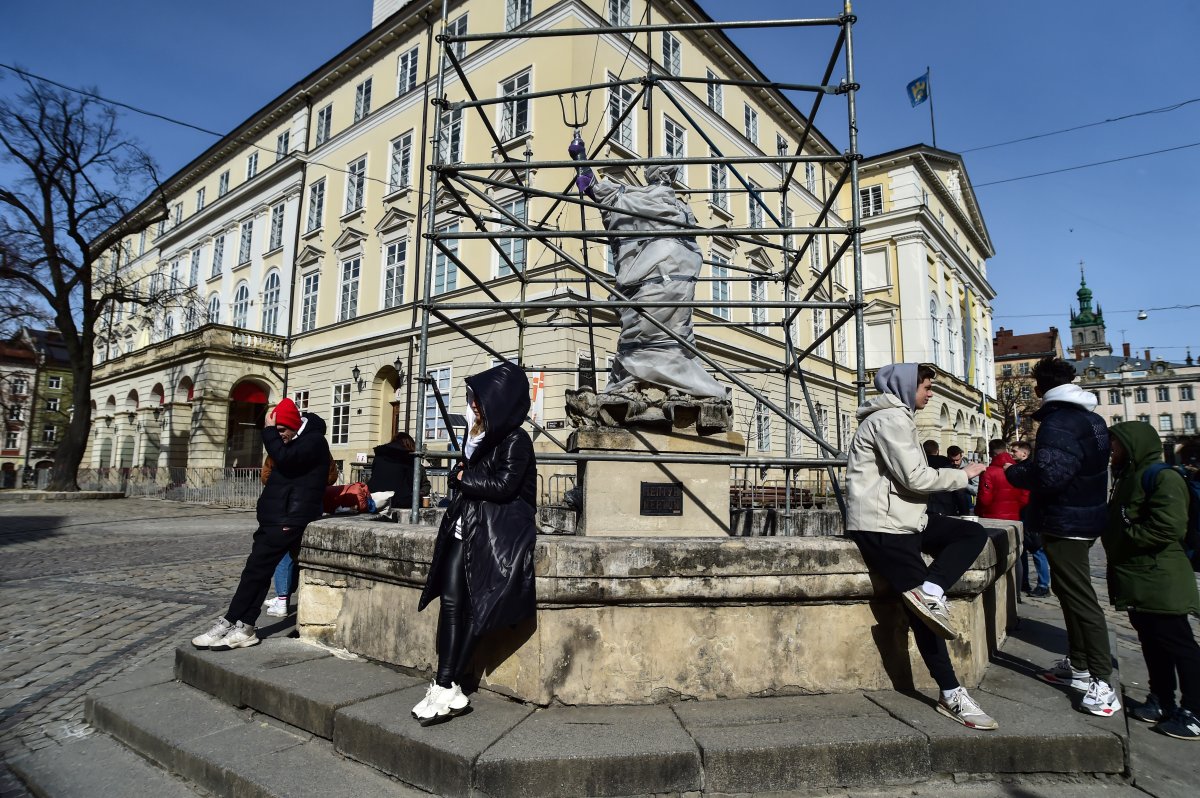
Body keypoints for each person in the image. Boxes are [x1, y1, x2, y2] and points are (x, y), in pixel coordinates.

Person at [846, 363, 996, 730]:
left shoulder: (897, 418)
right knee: (925, 619)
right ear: (906, 386)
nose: (930, 394)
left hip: (904, 519)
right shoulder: (890, 421)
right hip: (883, 526)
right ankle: (950, 693)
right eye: (926, 386)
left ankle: (930, 589)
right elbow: (914, 477)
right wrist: (964, 475)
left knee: (971, 533)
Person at [411, 361, 537, 726]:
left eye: (479, 401)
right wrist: (463, 472)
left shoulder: (515, 440)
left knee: (470, 609)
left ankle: (448, 683)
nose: (474, 407)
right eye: (472, 401)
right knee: (452, 603)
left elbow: (504, 487)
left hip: (492, 536)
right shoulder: (482, 438)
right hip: (463, 529)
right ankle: (446, 684)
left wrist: (464, 478)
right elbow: (462, 475)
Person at [1005, 356, 1119, 717]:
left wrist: (1017, 472)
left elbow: (1051, 475)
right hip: (1084, 517)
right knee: (1071, 595)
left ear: (1040, 388)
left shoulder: (1059, 422)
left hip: (1065, 521)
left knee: (1081, 599)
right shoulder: (1092, 419)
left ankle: (1101, 682)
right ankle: (1082, 668)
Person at [191, 398, 331, 650]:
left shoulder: (314, 441)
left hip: (289, 519)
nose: (279, 437)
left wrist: (268, 431)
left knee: (256, 571)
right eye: (276, 431)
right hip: (277, 517)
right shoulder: (300, 441)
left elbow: (285, 460)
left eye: (281, 431)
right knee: (256, 572)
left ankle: (231, 621)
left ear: (293, 426)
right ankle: (243, 626)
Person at [1104, 422, 1200, 739]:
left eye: (1116, 445)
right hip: (1137, 577)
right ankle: (1161, 699)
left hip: (1161, 576)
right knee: (1152, 643)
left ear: (1133, 446)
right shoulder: (1127, 478)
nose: (1112, 451)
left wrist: (1127, 533)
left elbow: (1169, 527)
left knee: (1179, 644)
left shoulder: (1162, 476)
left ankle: (1194, 711)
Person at [1010, 441, 1050, 597]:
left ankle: (1043, 585)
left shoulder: (1028, 470)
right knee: (1023, 550)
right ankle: (1024, 582)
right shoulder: (1017, 469)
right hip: (1021, 514)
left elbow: (1027, 495)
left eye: (1014, 451)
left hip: (1030, 514)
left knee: (1037, 550)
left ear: (1024, 454)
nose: (1012, 453)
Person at [368, 431, 429, 510]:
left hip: (374, 500)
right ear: (410, 445)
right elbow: (415, 483)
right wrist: (420, 493)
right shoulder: (409, 459)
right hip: (400, 501)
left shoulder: (379, 455)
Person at [976, 439, 1028, 524]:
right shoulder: (1019, 469)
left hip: (992, 517)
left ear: (990, 453)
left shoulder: (988, 472)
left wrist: (979, 512)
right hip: (1015, 517)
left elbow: (984, 499)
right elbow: (1025, 496)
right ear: (1006, 450)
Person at [924, 440, 972, 516]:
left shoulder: (920, 466)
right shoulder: (948, 465)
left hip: (924, 510)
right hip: (947, 509)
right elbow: (959, 492)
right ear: (937, 451)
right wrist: (964, 513)